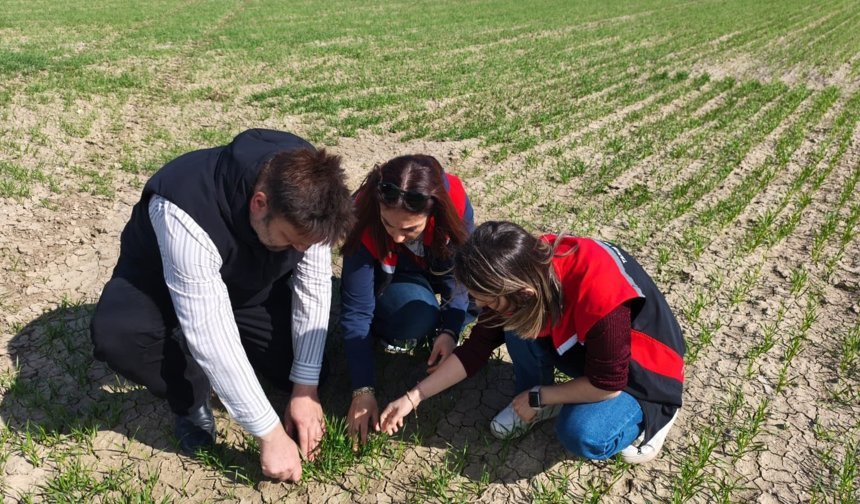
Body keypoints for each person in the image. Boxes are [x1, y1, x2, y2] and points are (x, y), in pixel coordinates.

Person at [90, 129, 354, 482]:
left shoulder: (311, 194)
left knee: (301, 366)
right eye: (291, 241)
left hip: (242, 285)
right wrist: (270, 434)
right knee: (120, 335)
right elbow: (209, 330)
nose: (300, 253)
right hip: (157, 286)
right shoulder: (184, 207)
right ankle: (190, 395)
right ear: (259, 203)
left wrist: (305, 387)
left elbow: (314, 284)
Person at [380, 221, 685, 464]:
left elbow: (608, 384)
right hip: (592, 349)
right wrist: (413, 397)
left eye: (486, 300)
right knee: (514, 326)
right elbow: (476, 349)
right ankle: (540, 402)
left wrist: (542, 395)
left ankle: (653, 416)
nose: (479, 306)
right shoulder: (521, 267)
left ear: (522, 294)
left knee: (582, 433)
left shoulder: (601, 297)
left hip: (642, 370)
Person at [339, 155, 475, 445]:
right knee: (416, 318)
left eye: (410, 229)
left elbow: (462, 275)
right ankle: (403, 310)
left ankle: (442, 316)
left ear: (434, 211)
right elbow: (356, 311)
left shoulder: (455, 203)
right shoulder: (361, 215)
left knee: (483, 293)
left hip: (437, 266)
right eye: (388, 225)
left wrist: (451, 329)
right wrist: (362, 389)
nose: (398, 238)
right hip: (397, 277)